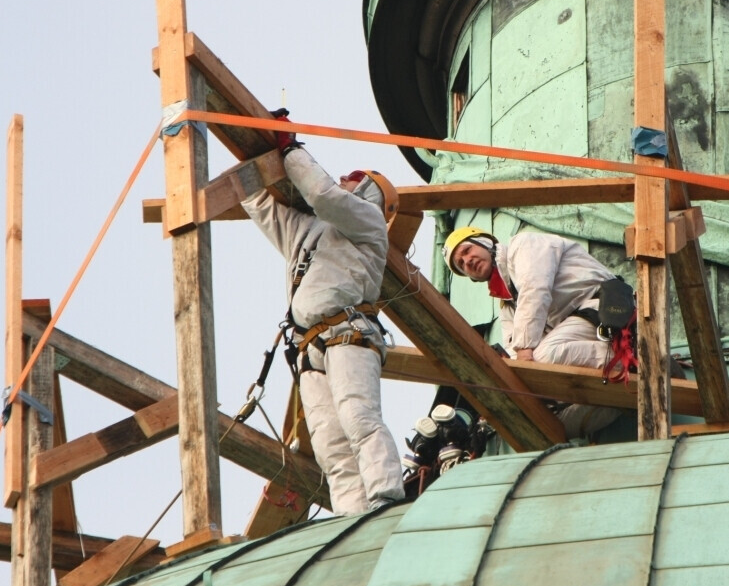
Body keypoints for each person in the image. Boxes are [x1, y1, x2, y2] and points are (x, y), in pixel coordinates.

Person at [241, 114, 404, 516]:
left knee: (358, 417)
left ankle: (386, 496)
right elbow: (259, 205)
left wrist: (290, 150)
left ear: (370, 195)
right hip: (309, 349)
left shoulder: (369, 222)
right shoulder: (308, 232)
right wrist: (249, 150)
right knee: (331, 447)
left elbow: (323, 194)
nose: (344, 179)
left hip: (348, 334)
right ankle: (352, 517)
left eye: (355, 179)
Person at [442, 227, 636, 440]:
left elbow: (535, 290)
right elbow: (513, 351)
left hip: (602, 307)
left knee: (542, 359)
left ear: (485, 243)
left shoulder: (523, 246)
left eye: (467, 250)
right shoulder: (508, 303)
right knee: (551, 424)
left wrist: (525, 353)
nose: (467, 261)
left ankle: (633, 362)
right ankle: (625, 399)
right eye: (461, 264)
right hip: (580, 330)